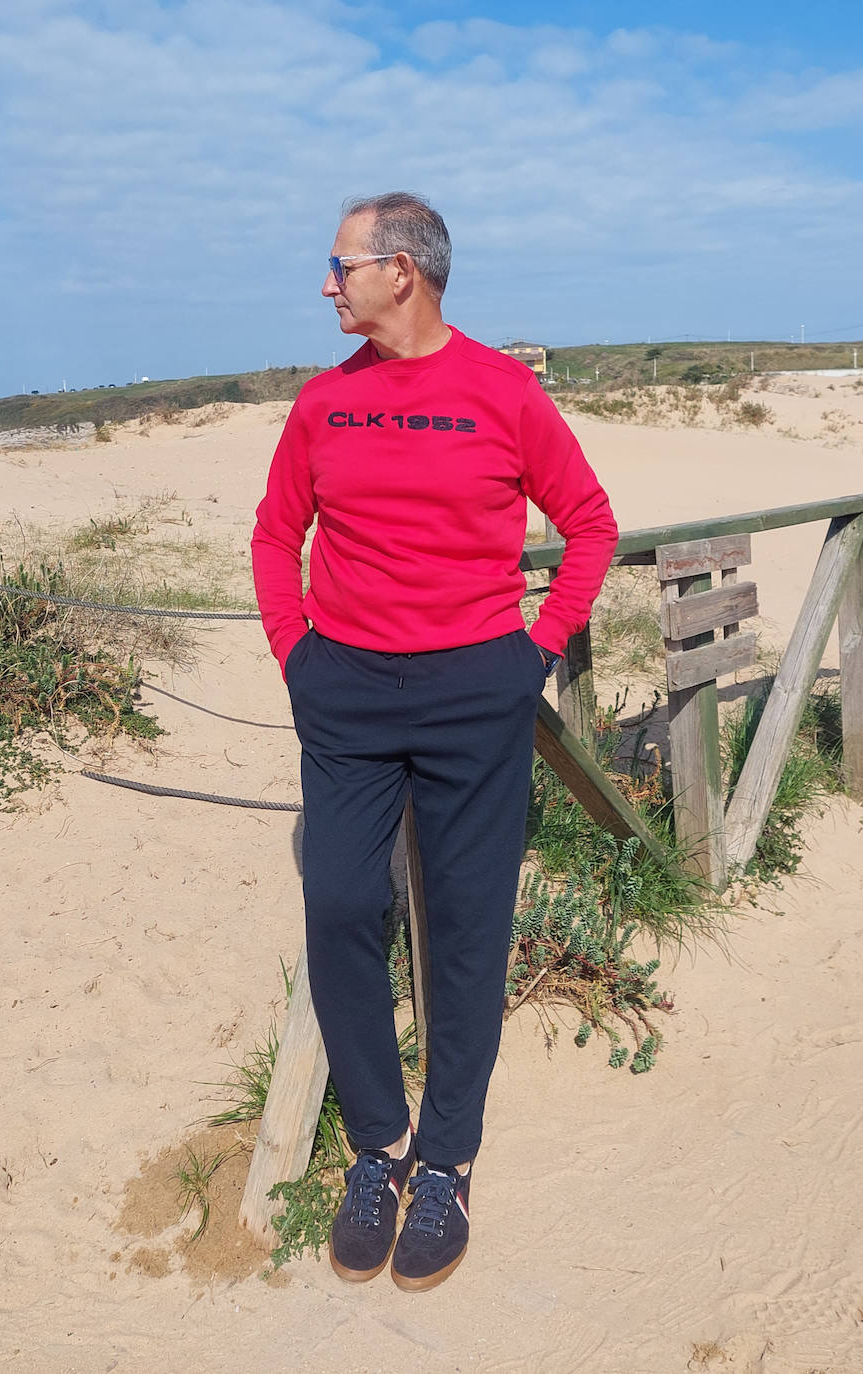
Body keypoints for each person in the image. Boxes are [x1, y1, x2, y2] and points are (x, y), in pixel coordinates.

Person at [251, 192, 617, 1292]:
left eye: (340, 264)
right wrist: (297, 654)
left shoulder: (503, 392)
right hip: (347, 692)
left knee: (464, 925)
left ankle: (446, 1162)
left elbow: (590, 523)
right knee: (340, 902)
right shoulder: (324, 403)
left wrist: (533, 651)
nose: (327, 283)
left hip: (474, 690)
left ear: (400, 270)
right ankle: (378, 1146)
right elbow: (276, 533)